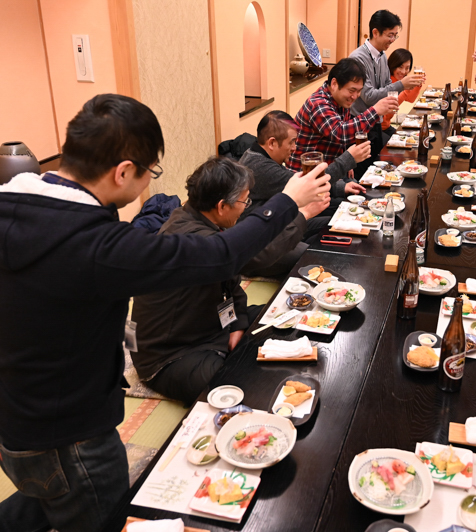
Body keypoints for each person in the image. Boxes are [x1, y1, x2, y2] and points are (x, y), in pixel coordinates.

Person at [0, 94, 329, 532]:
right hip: (71, 434)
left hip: (18, 423)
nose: (147, 184)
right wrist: (288, 201)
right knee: (101, 512)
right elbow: (223, 255)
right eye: (150, 172)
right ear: (123, 171)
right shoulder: (94, 244)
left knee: (47, 496)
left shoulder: (19, 205)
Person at [130, 158, 329, 404]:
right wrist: (302, 213)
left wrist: (237, 323)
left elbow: (230, 282)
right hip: (170, 354)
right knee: (237, 387)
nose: (246, 208)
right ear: (222, 206)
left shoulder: (198, 218)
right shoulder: (191, 236)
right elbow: (257, 255)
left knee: (285, 318)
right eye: (245, 202)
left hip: (210, 323)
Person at [239, 110, 369, 274]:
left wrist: (340, 188)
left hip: (280, 223)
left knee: (334, 224)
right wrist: (349, 158)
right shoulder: (259, 166)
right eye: (292, 142)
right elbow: (307, 185)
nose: (295, 148)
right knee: (313, 258)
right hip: (262, 242)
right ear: (272, 143)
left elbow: (296, 181)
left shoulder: (260, 155)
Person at [287, 58, 398, 173]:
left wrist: (346, 163)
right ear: (334, 84)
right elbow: (340, 132)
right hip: (305, 174)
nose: (355, 96)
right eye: (352, 90)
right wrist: (375, 111)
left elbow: (342, 138)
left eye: (359, 91)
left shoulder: (340, 101)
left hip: (327, 170)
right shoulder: (318, 104)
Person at [349, 9, 424, 167]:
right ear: (375, 32)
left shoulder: (382, 55)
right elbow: (369, 96)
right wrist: (402, 85)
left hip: (377, 122)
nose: (393, 40)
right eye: (390, 35)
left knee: (381, 166)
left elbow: (387, 86)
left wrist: (406, 87)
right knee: (365, 171)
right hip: (362, 127)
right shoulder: (358, 58)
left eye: (395, 35)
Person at [381, 48, 422, 143]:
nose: (403, 72)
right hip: (378, 128)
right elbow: (391, 107)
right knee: (400, 144)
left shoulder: (400, 81)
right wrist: (406, 88)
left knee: (411, 140)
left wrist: (417, 85)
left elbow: (410, 99)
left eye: (407, 68)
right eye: (400, 67)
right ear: (393, 65)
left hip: (386, 126)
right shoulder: (388, 81)